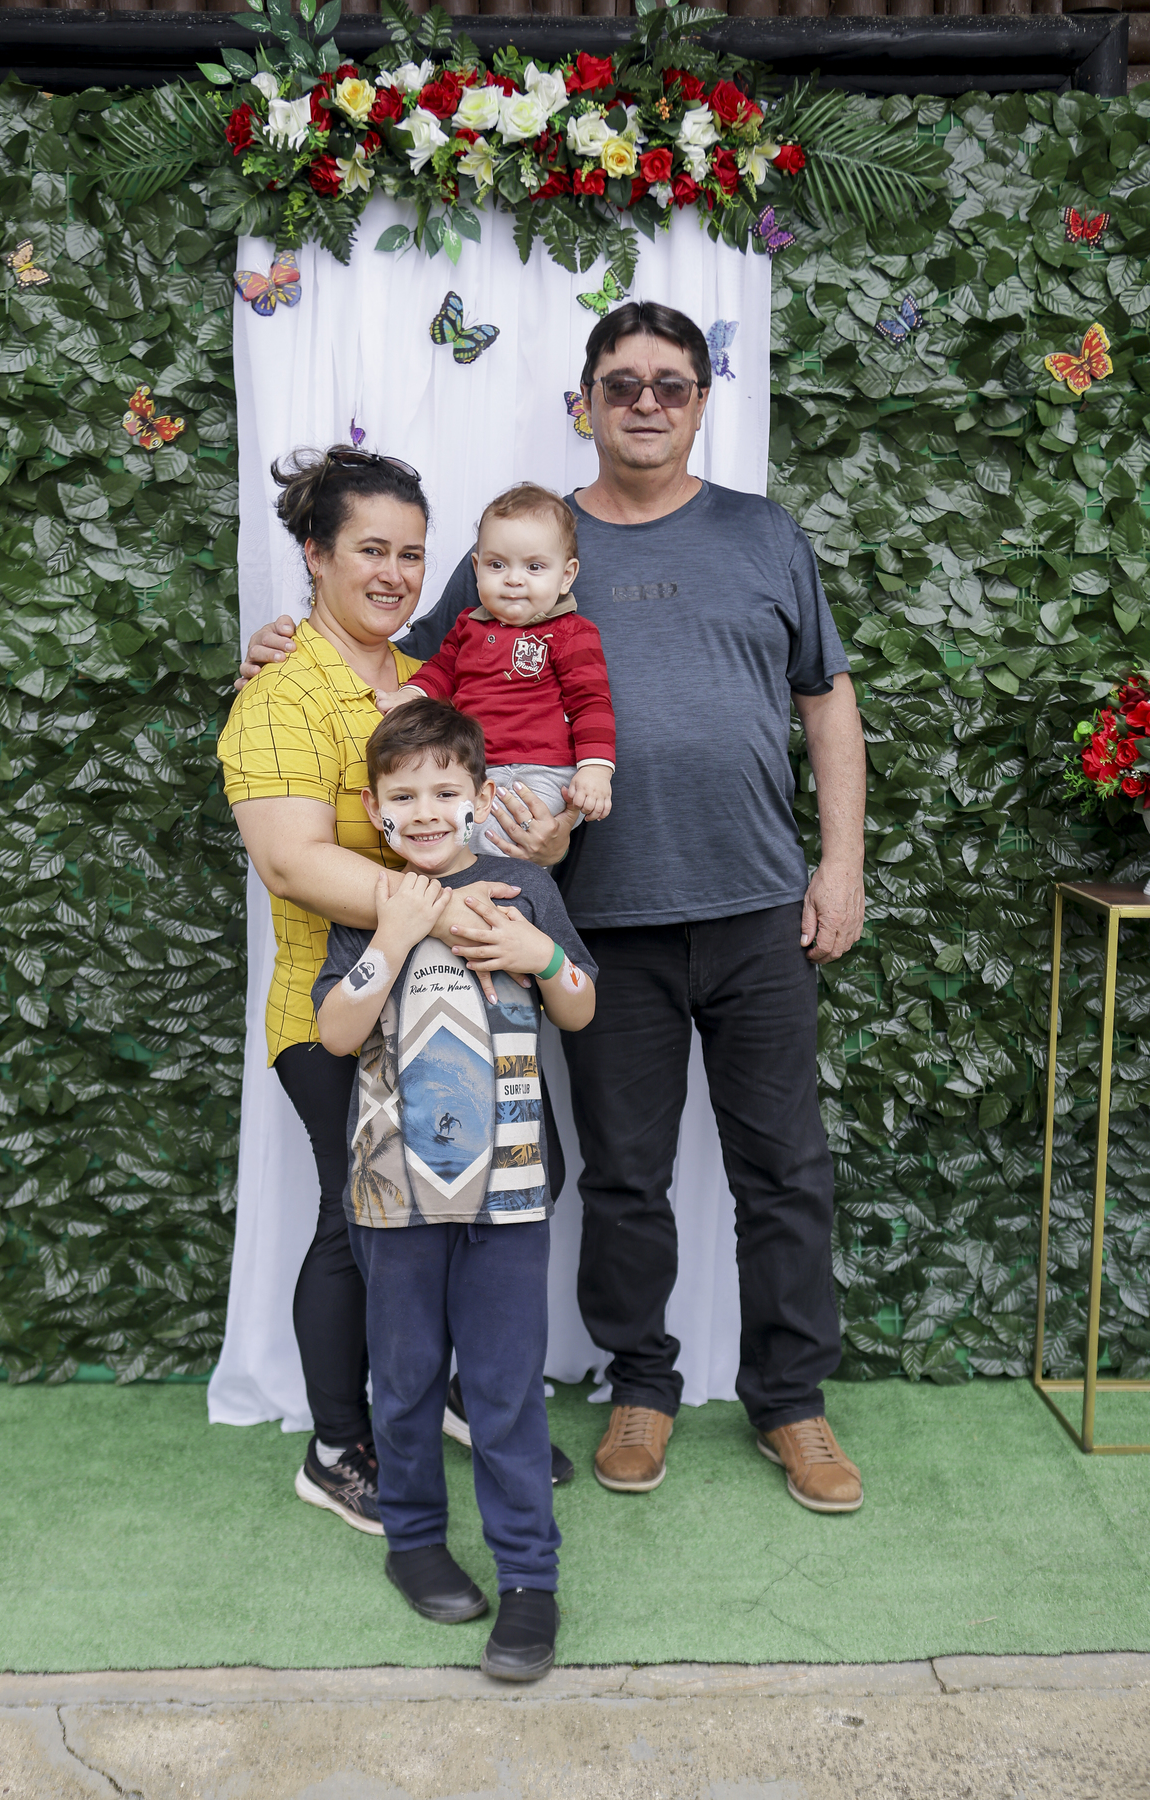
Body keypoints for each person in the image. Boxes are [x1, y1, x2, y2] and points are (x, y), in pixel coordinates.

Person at [242, 299, 868, 1515]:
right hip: (600, 917)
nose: (647, 402)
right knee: (625, 1174)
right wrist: (285, 644)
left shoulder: (763, 534)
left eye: (672, 383)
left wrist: (839, 865)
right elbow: (399, 666)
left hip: (756, 904)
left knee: (785, 1168)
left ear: (703, 400)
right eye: (621, 382)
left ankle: (793, 1403)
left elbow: (826, 699)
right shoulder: (521, 540)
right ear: (585, 402)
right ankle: (642, 1387)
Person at [217, 447, 570, 1539]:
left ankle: (459, 1392)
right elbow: (291, 863)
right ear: (314, 555)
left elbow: (497, 804)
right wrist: (441, 912)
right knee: (363, 1224)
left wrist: (544, 840)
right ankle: (338, 1448)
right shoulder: (281, 695)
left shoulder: (429, 680)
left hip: (464, 1013)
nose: (395, 573)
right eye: (370, 549)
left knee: (515, 1183)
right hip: (337, 1015)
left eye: (412, 553)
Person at [312, 699, 597, 1682]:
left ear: (481, 795)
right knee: (404, 1385)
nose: (426, 811)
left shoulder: (525, 889)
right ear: (375, 808)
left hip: (508, 1197)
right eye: (403, 796)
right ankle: (415, 1543)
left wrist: (541, 957)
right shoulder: (372, 901)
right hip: (394, 1200)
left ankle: (530, 1581)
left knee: (506, 1392)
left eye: (445, 790)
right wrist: (392, 937)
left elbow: (581, 1005)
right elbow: (336, 1034)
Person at [377, 482, 616, 847]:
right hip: (472, 767)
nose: (513, 579)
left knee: (493, 840)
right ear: (477, 568)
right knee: (442, 834)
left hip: (541, 769)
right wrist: (412, 693)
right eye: (497, 564)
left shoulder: (570, 633)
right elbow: (442, 670)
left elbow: (591, 703)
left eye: (534, 566)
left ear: (566, 576)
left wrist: (595, 768)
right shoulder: (468, 626)